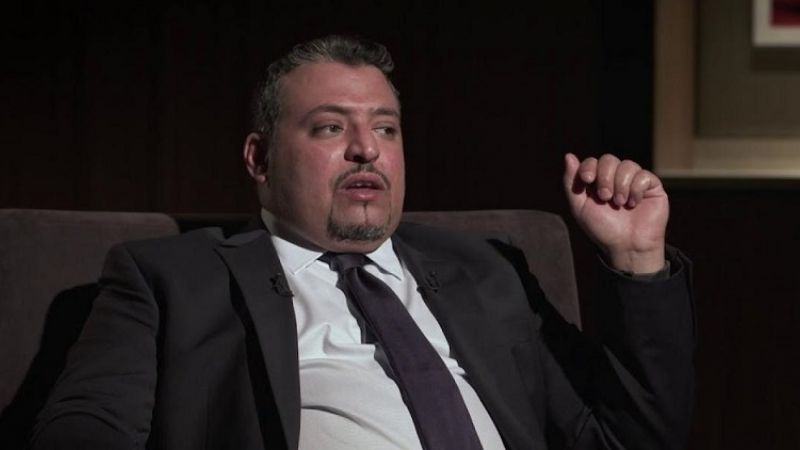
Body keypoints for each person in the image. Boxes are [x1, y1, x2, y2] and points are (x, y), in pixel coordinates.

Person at [32, 35, 694, 450]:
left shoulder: (486, 269)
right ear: (259, 159)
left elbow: (625, 438)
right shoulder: (168, 277)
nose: (366, 149)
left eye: (386, 128)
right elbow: (82, 432)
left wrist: (638, 259)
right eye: (329, 128)